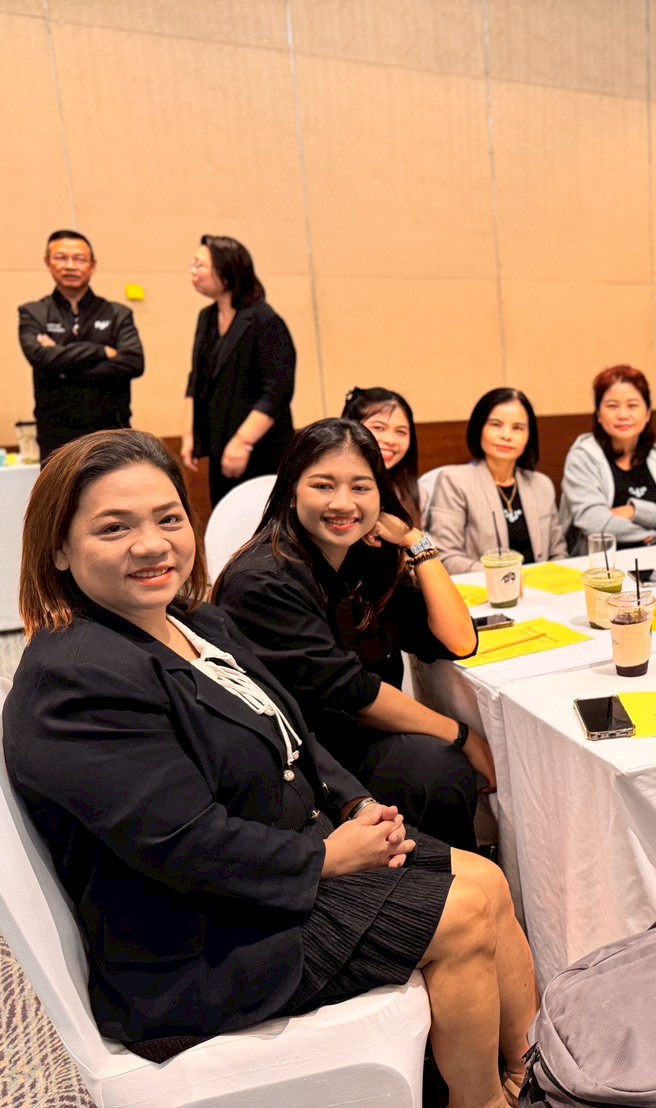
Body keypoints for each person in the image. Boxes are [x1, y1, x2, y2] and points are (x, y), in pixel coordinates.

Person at [4, 430, 534, 1105]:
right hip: (196, 941)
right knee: (462, 910)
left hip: (275, 859)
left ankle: (532, 1071)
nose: (152, 544)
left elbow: (295, 731)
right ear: (57, 548)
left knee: (486, 877)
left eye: (168, 519)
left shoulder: (197, 623)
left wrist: (353, 804)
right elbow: (184, 845)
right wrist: (329, 858)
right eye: (115, 528)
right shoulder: (77, 679)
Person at [214, 420, 492, 854]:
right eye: (323, 485)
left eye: (361, 487)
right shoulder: (263, 581)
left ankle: (459, 874)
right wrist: (461, 734)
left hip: (350, 740)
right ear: (292, 490)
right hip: (298, 761)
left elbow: (459, 641)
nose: (343, 503)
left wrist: (416, 542)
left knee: (436, 766)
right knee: (436, 766)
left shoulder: (363, 561)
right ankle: (447, 880)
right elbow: (350, 692)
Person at [181, 235, 296, 506]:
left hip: (261, 448)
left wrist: (243, 441)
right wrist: (189, 435)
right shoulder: (207, 318)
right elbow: (196, 379)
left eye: (200, 265)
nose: (193, 272)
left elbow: (276, 391)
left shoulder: (264, 319)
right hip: (220, 444)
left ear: (226, 270)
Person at [17, 230, 145, 459]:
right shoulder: (33, 313)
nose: (70, 266)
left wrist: (62, 368)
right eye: (61, 258)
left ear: (93, 265)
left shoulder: (118, 314)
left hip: (113, 436)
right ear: (47, 262)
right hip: (56, 440)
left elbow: (133, 363)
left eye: (79, 259)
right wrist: (101, 351)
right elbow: (41, 359)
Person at [559, 365, 656, 551]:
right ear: (598, 414)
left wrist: (634, 511)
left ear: (647, 413)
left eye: (632, 405)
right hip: (602, 563)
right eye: (612, 406)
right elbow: (596, 523)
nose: (623, 415)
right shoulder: (582, 458)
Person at [427, 388, 566, 573]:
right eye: (496, 425)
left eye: (517, 428)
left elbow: (559, 553)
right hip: (482, 588)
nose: (506, 435)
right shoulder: (454, 481)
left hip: (540, 587)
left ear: (529, 435)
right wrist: (503, 577)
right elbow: (445, 556)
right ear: (479, 428)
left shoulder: (542, 485)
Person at [342, 386, 423, 528]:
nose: (390, 440)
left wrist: (410, 537)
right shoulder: (335, 492)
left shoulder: (417, 494)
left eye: (401, 432)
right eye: (379, 428)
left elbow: (425, 542)